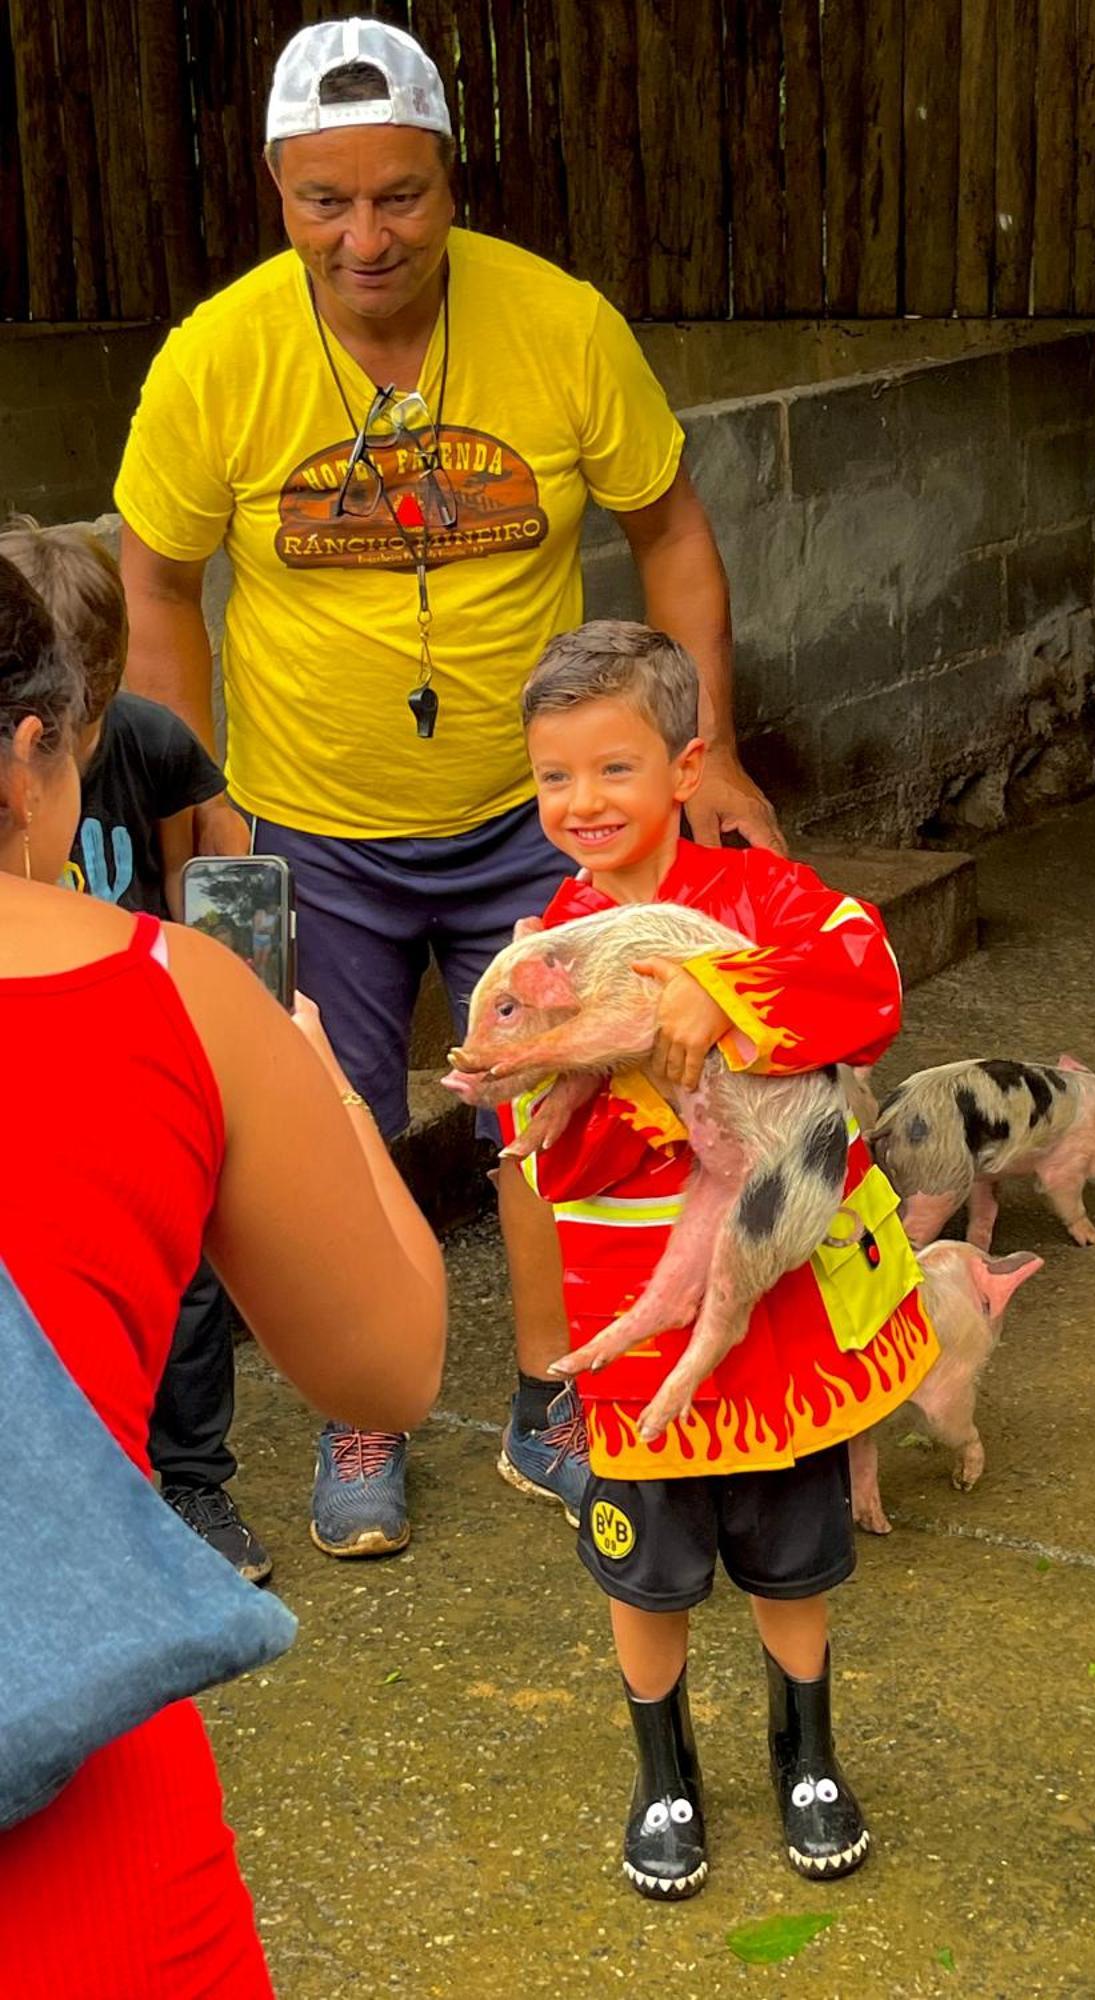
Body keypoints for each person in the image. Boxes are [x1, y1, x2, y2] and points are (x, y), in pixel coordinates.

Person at [114, 15, 780, 1559]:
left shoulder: (558, 325)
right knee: (332, 1121)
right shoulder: (217, 357)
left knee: (549, 1116)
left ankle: (553, 1397)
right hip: (309, 817)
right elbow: (155, 582)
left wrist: (705, 750)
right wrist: (198, 807)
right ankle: (369, 1405)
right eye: (325, 200)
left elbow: (672, 532)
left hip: (534, 815)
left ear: (449, 179)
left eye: (399, 194)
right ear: (277, 192)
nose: (367, 235)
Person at [0, 554, 446, 1991]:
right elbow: (388, 1367)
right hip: (73, 1787)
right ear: (32, 749)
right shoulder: (173, 994)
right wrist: (315, 1082)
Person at [492, 621, 938, 1898]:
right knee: (648, 1565)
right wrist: (572, 1077)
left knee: (793, 1554)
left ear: (686, 767)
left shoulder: (772, 898)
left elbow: (869, 975)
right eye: (554, 778)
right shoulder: (547, 951)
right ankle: (664, 1770)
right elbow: (545, 1152)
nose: (582, 803)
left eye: (614, 770)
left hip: (782, 1313)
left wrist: (724, 991)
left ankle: (808, 1752)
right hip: (637, 1316)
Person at [0, 515, 273, 1584]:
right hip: (41, 1047)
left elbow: (193, 884)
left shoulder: (152, 744)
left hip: (128, 1041)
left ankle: (192, 1480)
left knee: (188, 1273)